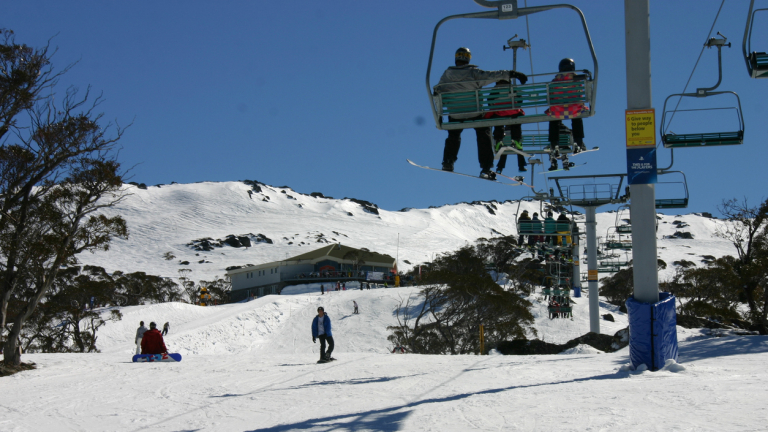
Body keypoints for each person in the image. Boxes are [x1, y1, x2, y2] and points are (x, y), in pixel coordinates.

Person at [433, 47, 527, 179]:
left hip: (456, 114)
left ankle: (448, 161)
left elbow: (438, 92)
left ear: (456, 58)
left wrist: (439, 116)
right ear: (468, 58)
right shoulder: (474, 73)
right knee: (484, 132)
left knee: (454, 133)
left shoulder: (447, 74)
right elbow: (493, 75)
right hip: (474, 113)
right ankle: (486, 167)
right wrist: (512, 74)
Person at [546, 58, 589, 171]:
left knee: (554, 118)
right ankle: (578, 141)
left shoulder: (555, 81)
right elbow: (580, 96)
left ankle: (554, 143)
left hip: (558, 110)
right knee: (577, 118)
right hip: (573, 109)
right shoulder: (577, 79)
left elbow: (551, 97)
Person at [483, 80, 527, 173]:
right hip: (513, 114)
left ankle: (498, 141)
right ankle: (521, 163)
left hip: (500, 114)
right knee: (516, 141)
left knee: (504, 143)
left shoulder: (495, 90)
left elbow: (490, 100)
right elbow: (520, 99)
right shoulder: (512, 88)